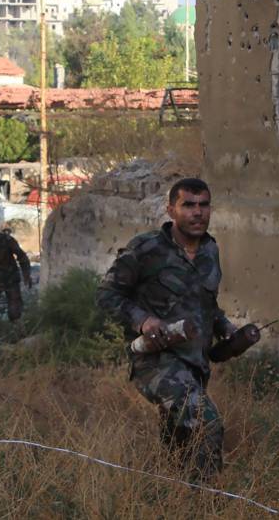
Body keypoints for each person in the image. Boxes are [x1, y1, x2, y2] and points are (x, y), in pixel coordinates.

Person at [97, 178, 238, 478]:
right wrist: (143, 320)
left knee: (180, 445)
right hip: (155, 360)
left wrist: (224, 326)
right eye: (188, 205)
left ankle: (170, 496)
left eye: (204, 205)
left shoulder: (210, 251)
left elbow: (207, 304)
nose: (198, 213)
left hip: (195, 365)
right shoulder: (146, 248)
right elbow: (107, 294)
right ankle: (207, 503)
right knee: (206, 422)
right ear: (171, 210)